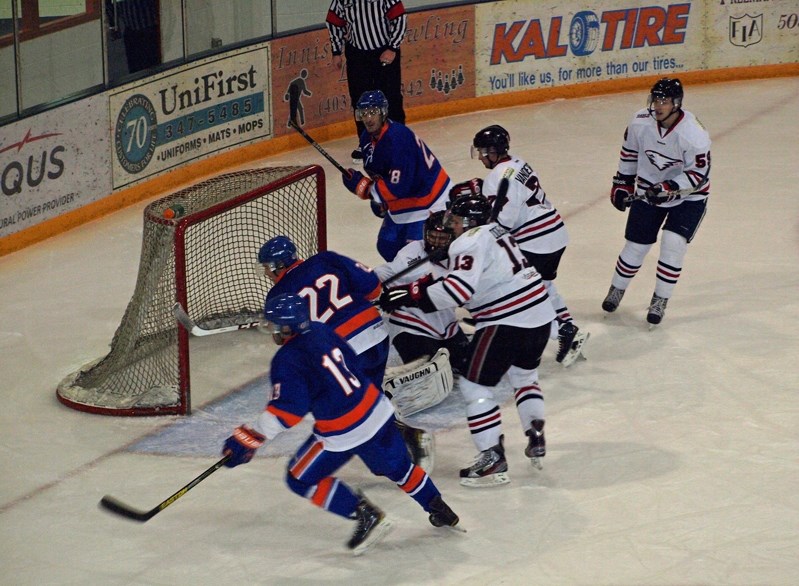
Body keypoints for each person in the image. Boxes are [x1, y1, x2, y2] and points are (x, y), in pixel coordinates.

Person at [221, 293, 460, 555]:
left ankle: (365, 515)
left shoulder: (287, 359)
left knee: (299, 478)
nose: (273, 330)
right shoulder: (322, 330)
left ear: (286, 327)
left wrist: (246, 438)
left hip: (344, 431)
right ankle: (439, 508)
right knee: (400, 469)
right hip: (378, 411)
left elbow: (286, 413)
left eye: (275, 325)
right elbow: (353, 363)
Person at [379, 192, 556, 487]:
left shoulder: (468, 240)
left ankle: (492, 458)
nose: (451, 224)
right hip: (539, 315)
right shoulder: (496, 231)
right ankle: (535, 434)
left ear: (470, 221)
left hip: (506, 321)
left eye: (455, 218)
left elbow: (458, 292)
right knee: (525, 377)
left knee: (475, 387)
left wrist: (412, 294)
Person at [472, 125, 588, 367]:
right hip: (555, 233)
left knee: (525, 295)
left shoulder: (495, 177)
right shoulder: (518, 162)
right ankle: (569, 327)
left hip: (536, 241)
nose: (481, 157)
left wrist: (483, 231)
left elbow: (507, 220)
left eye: (484, 152)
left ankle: (562, 331)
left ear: (494, 151)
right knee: (543, 285)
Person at [604, 78, 711, 325]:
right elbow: (629, 154)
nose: (658, 106)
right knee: (635, 246)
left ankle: (660, 300)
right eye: (655, 99)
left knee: (673, 244)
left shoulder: (693, 134)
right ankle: (616, 290)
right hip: (649, 189)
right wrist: (622, 183)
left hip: (689, 196)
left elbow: (698, 175)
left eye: (664, 101)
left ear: (677, 103)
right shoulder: (640, 122)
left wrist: (669, 186)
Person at [258, 235, 389, 386]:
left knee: (342, 401)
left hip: (342, 352)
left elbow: (284, 339)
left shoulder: (277, 296)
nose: (266, 274)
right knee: (371, 390)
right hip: (378, 332)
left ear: (279, 265)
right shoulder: (326, 259)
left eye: (267, 267)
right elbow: (373, 288)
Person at [341, 90, 452, 262]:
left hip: (429, 200)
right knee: (387, 245)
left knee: (415, 257)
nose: (368, 119)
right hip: (409, 196)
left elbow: (399, 187)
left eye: (373, 112)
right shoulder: (366, 138)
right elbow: (384, 174)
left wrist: (365, 189)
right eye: (364, 113)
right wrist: (379, 198)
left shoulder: (398, 139)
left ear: (383, 112)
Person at [325, 0, 407, 162]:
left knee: (391, 98)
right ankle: (366, 143)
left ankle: (399, 140)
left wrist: (393, 48)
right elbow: (333, 20)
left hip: (383, 51)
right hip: (357, 55)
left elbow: (400, 18)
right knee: (359, 101)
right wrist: (336, 51)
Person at [107, 0, 160, 75]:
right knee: (137, 72)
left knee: (154, 68)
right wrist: (113, 25)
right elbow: (109, 4)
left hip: (150, 27)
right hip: (132, 30)